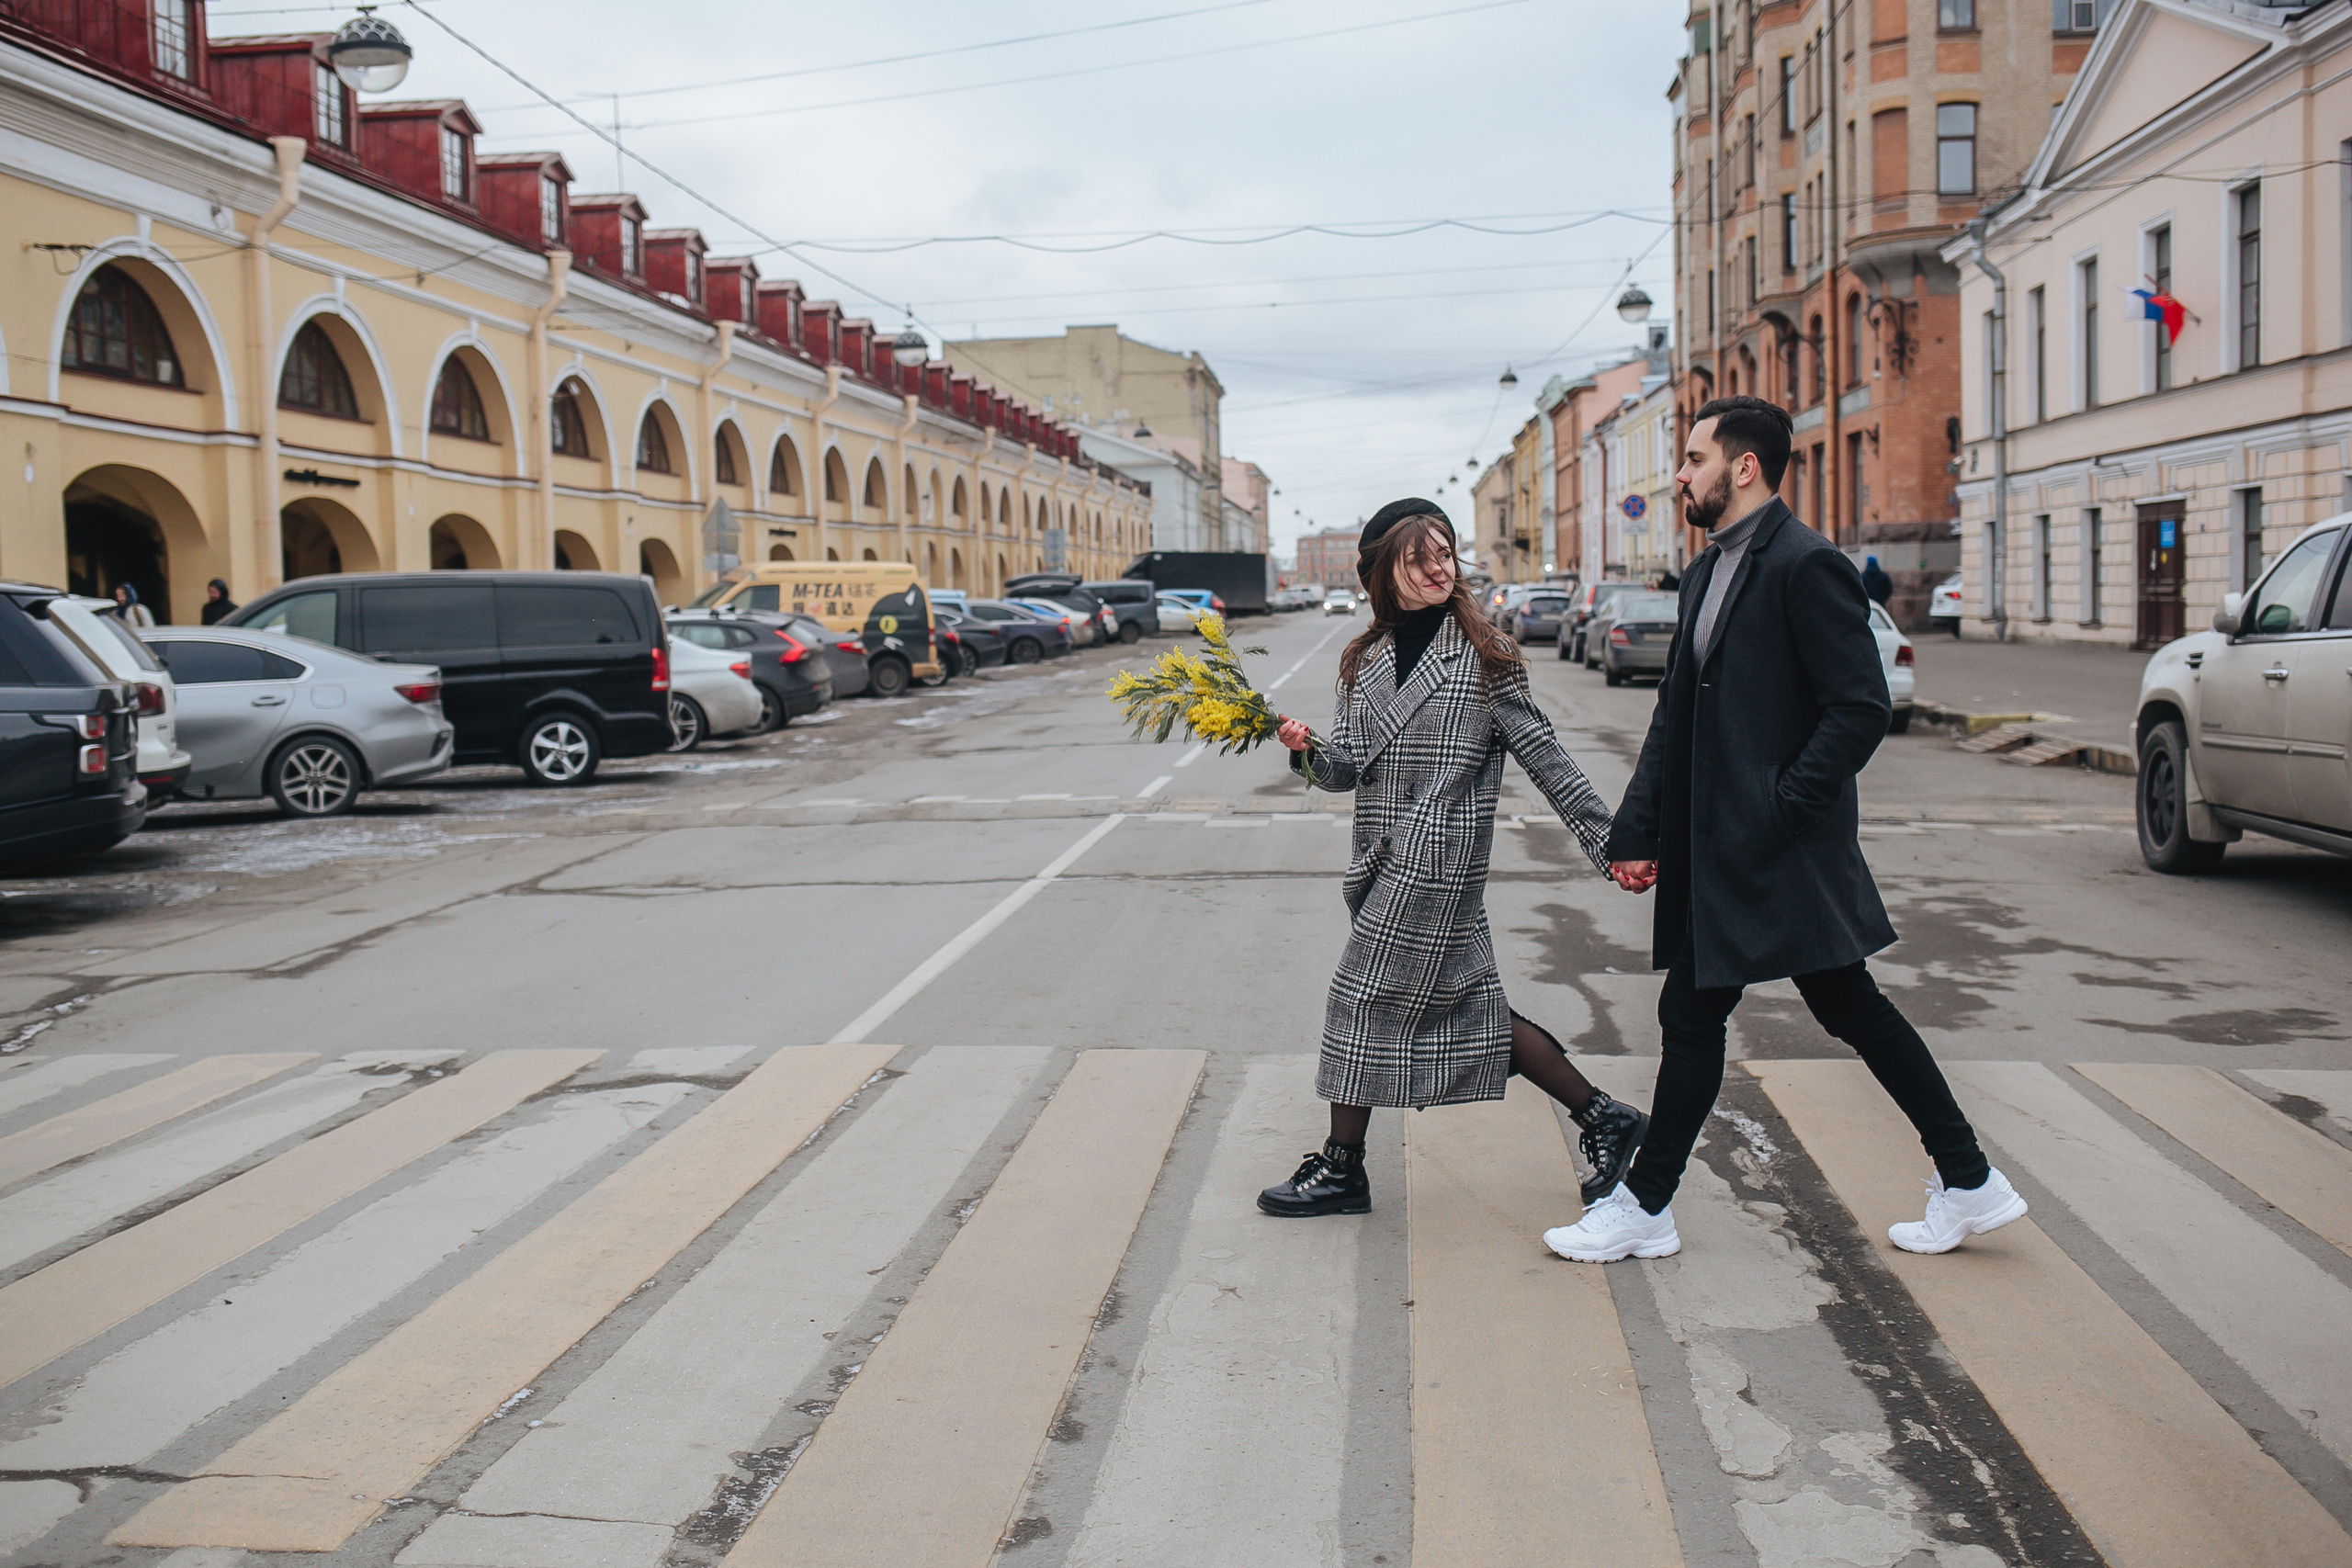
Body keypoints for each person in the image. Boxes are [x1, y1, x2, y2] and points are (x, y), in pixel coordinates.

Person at [1544, 397, 2023, 1263]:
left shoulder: (1808, 564)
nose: (1680, 474)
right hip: (1721, 848)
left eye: (1694, 458)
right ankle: (1969, 1177)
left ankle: (1646, 1204)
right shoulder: (1706, 571)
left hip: (1778, 847)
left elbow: (1860, 707)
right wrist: (1636, 829)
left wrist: (1780, 805)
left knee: (1714, 1012)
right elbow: (1675, 714)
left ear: (1745, 467)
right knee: (1836, 1006)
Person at [1260, 498, 1645, 1219]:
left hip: (1435, 865)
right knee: (1473, 1010)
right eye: (1419, 559)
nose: (1438, 569)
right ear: (1384, 573)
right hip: (1380, 861)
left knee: (1357, 999)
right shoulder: (1365, 658)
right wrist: (1306, 749)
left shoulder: (1483, 655)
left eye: (1444, 553)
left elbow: (1547, 758)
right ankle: (1605, 1117)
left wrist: (1613, 845)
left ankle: (1343, 1167)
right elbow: (1347, 768)